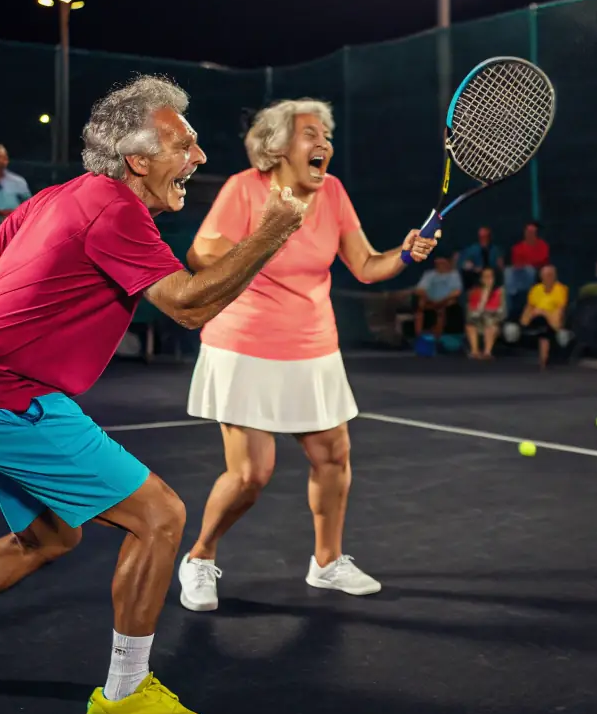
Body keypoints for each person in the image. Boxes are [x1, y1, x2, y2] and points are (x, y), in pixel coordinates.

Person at [0, 76, 307, 714]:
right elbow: (191, 304)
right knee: (161, 517)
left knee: (50, 537)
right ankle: (123, 694)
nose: (199, 157)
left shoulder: (62, 195)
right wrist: (273, 231)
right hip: (5, 398)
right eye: (185, 144)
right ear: (138, 159)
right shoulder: (116, 211)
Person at [177, 99, 435, 612]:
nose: (324, 145)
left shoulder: (334, 193)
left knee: (334, 457)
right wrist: (265, 238)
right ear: (276, 147)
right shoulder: (245, 188)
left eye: (326, 136)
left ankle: (327, 562)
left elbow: (363, 265)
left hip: (314, 348)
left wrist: (405, 254)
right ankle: (200, 558)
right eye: (310, 134)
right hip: (244, 345)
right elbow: (201, 254)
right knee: (251, 474)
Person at [518, 264, 569, 368]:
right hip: (536, 317)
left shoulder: (561, 289)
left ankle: (543, 361)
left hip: (551, 318)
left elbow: (560, 309)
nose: (548, 277)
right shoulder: (536, 289)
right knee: (537, 319)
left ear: (555, 276)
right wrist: (525, 320)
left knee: (547, 326)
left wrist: (544, 312)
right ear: (541, 277)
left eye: (550, 275)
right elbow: (529, 307)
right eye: (546, 275)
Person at [465, 265, 505, 359]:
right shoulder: (475, 292)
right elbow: (473, 312)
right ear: (481, 279)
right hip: (478, 320)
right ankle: (474, 351)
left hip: (493, 320)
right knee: (470, 325)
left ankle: (487, 352)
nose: (488, 279)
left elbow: (499, 311)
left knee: (490, 325)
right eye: (485, 277)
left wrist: (487, 293)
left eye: (490, 277)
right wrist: (484, 295)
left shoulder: (499, 292)